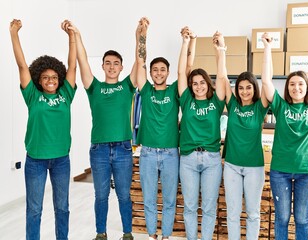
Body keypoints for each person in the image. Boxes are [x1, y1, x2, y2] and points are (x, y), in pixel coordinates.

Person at [261, 30, 308, 239]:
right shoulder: (280, 106)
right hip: (281, 171)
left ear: (307, 87)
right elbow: (266, 82)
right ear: (287, 88)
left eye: (301, 84)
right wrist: (268, 47)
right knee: (282, 218)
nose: (296, 87)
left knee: (302, 219)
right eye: (292, 84)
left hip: (307, 171)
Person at [67, 20, 139, 240]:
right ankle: (101, 233)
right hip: (98, 150)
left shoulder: (127, 86)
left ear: (121, 66)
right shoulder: (95, 87)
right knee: (101, 196)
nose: (111, 66)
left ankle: (127, 234)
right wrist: (77, 35)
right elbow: (82, 60)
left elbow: (140, 60)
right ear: (103, 66)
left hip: (123, 149)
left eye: (115, 63)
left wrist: (140, 36)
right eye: (107, 63)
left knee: (124, 196)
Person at [9, 19, 77, 240]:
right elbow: (21, 65)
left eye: (54, 77)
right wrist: (14, 34)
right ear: (39, 79)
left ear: (59, 79)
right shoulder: (33, 96)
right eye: (46, 77)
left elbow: (73, 66)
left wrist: (71, 37)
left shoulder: (66, 95)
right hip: (36, 160)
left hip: (61, 161)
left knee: (63, 209)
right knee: (34, 210)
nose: (51, 80)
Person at [213, 31, 269, 239]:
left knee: (253, 214)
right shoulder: (233, 104)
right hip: (232, 166)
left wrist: (266, 48)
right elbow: (222, 76)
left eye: (248, 87)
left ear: (254, 89)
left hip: (255, 167)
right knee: (233, 213)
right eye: (241, 88)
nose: (244, 91)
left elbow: (268, 80)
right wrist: (221, 49)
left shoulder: (260, 107)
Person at [135, 18, 181, 240]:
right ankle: (152, 235)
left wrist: (186, 42)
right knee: (150, 199)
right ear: (151, 73)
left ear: (168, 72)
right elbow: (140, 60)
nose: (159, 72)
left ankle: (166, 236)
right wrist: (142, 36)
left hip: (172, 153)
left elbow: (185, 72)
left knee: (170, 200)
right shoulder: (145, 91)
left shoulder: (174, 92)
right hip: (148, 153)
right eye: (155, 69)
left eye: (163, 69)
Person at [177, 28, 225, 240]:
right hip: (187, 158)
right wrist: (185, 42)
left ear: (208, 83)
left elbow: (222, 75)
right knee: (189, 206)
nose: (198, 86)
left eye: (202, 82)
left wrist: (220, 49)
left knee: (208, 207)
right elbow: (180, 73)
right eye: (194, 83)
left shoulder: (216, 101)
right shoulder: (186, 100)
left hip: (212, 159)